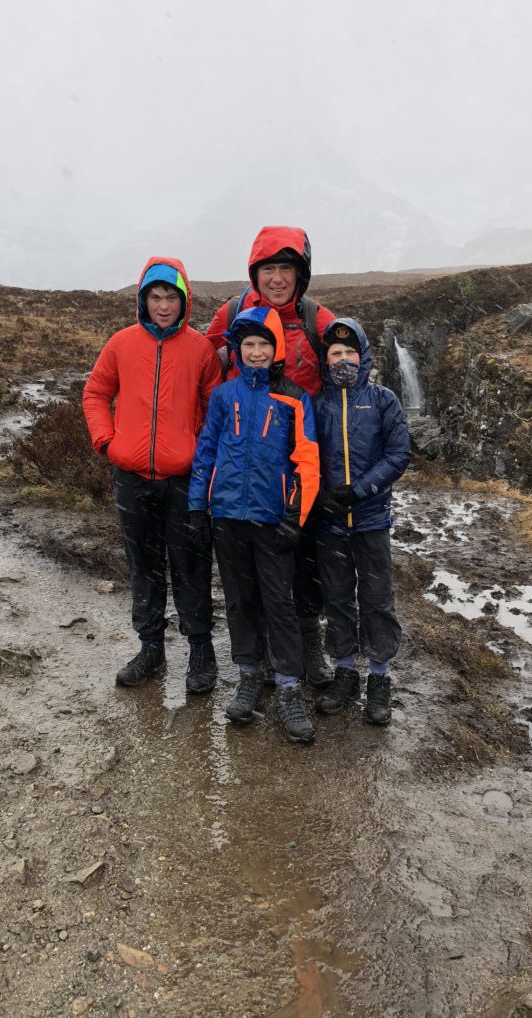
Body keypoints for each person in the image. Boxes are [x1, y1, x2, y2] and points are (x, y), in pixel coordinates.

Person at [82, 257, 222, 692]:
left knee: (191, 564)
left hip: (184, 480)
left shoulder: (200, 349)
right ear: (143, 300)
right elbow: (95, 393)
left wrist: (200, 454)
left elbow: (216, 409)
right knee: (143, 566)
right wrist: (108, 442)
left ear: (184, 301)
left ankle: (200, 650)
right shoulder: (121, 344)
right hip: (132, 477)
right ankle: (151, 649)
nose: (163, 306)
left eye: (171, 298)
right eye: (156, 297)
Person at [206, 226, 335, 686]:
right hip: (250, 457)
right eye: (268, 269)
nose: (277, 278)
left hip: (304, 454)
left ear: (300, 274)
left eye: (286, 268)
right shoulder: (234, 313)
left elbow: (347, 363)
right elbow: (205, 366)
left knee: (306, 557)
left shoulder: (318, 318)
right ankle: (256, 655)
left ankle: (308, 642)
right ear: (254, 273)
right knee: (254, 564)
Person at [189, 306, 320, 743]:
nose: (257, 351)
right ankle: (249, 673)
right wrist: (196, 507)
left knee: (279, 603)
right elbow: (207, 450)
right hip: (227, 516)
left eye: (265, 343)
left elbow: (307, 460)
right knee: (240, 600)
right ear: (238, 349)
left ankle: (287, 686)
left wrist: (294, 516)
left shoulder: (295, 398)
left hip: (272, 519)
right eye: (249, 344)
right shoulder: (225, 396)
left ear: (277, 346)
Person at [312, 317, 412, 725]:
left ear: (364, 354)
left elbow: (398, 455)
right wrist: (322, 496)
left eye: (350, 352)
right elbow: (303, 456)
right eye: (335, 353)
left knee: (377, 600)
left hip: (370, 520)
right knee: (336, 600)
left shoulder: (384, 399)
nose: (343, 359)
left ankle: (380, 677)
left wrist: (360, 490)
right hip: (329, 524)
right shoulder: (316, 403)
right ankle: (345, 670)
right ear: (326, 358)